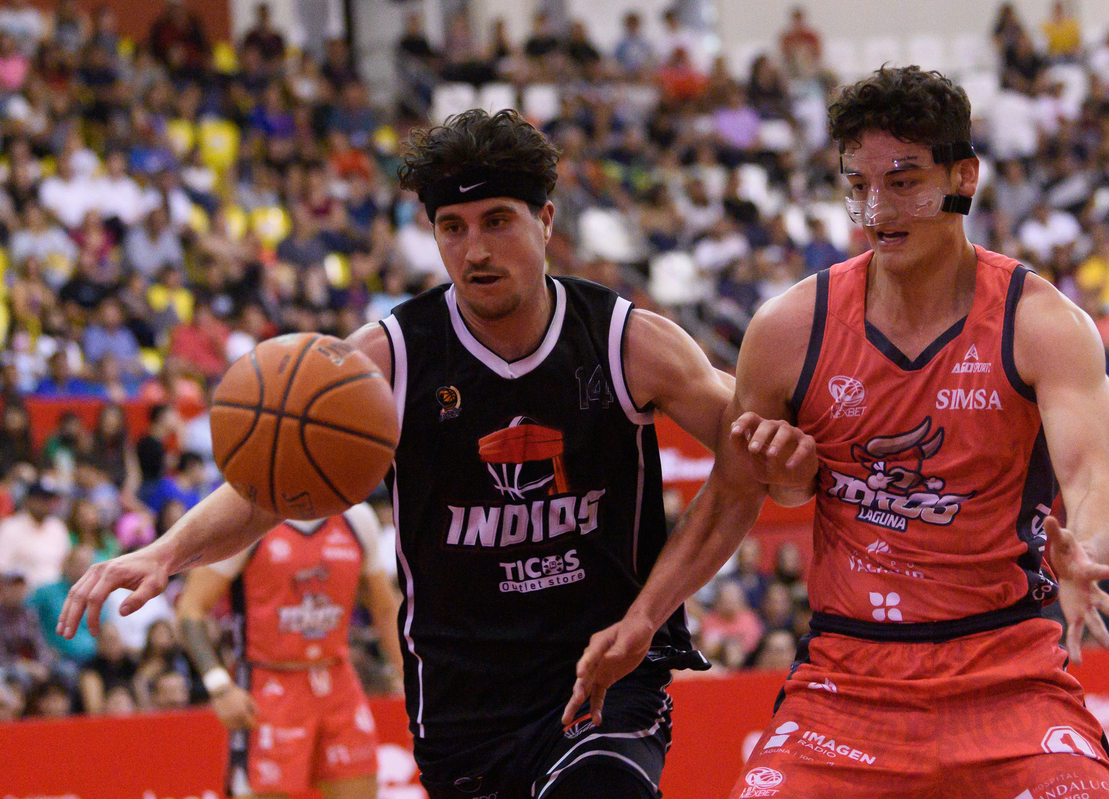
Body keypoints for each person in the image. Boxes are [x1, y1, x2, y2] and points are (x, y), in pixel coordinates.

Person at [59, 109, 810, 799]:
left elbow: (766, 471)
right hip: (464, 697)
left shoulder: (628, 342)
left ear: (546, 220)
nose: (475, 249)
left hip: (607, 673)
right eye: (452, 227)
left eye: (497, 221)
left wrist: (785, 467)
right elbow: (273, 484)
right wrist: (166, 552)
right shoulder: (387, 359)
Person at [569, 66, 1109, 797]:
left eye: (904, 182)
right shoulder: (788, 328)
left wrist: (1086, 551)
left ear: (965, 176)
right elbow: (730, 496)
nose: (876, 209)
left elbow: (1095, 477)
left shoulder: (1042, 322)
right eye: (857, 184)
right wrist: (644, 618)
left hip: (1009, 671)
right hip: (849, 679)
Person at [176, 503, 401, 799]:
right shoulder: (247, 518)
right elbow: (190, 610)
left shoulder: (357, 518)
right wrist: (219, 687)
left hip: (336, 677)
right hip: (269, 683)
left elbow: (384, 609)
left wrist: (409, 679)